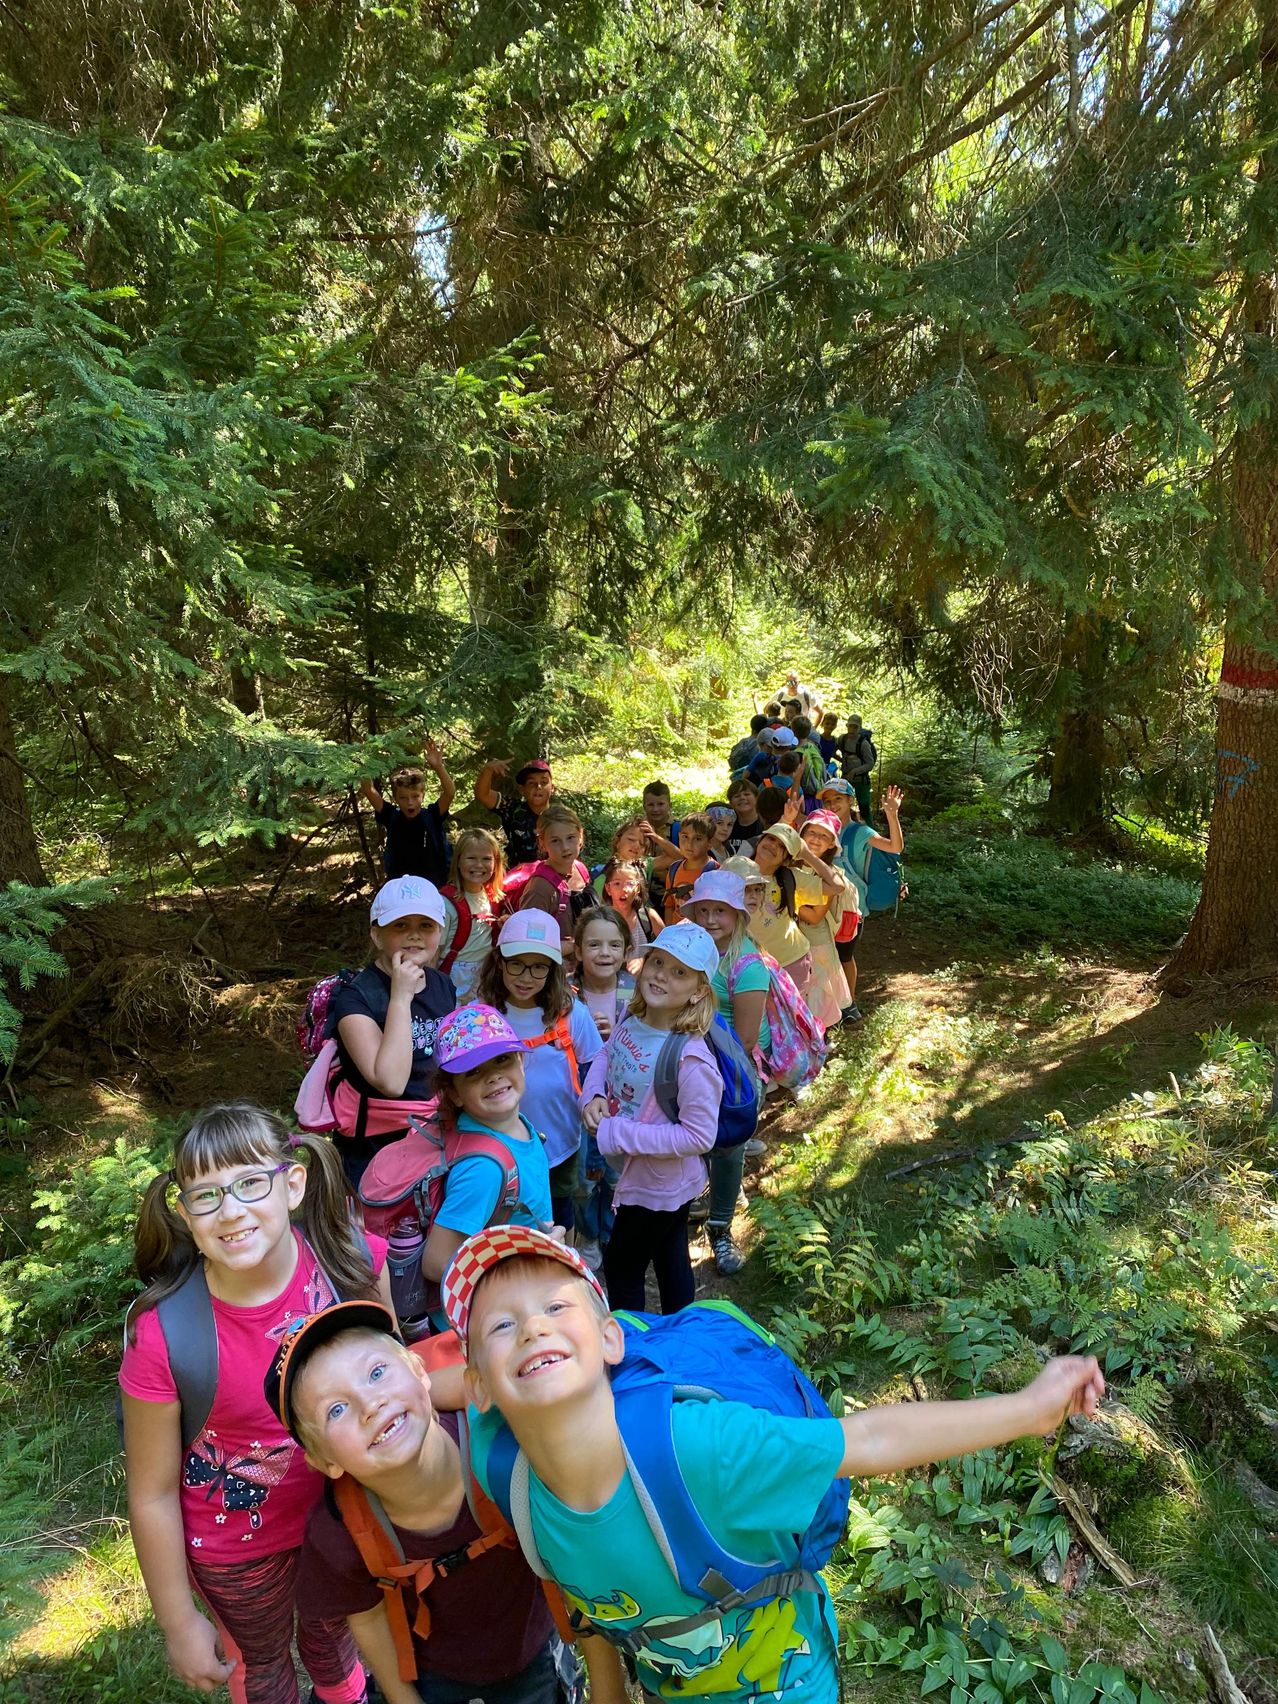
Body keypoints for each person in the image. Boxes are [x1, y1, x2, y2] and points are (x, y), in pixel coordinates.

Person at [450, 1228, 1106, 1704]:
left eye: (557, 1306)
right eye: (502, 1326)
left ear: (613, 1339)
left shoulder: (702, 1451)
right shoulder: (502, 1466)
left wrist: (1029, 1408)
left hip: (783, 1681)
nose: (533, 1328)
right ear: (479, 1386)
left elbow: (870, 1440)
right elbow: (579, 1584)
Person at [119, 1102, 392, 1704]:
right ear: (186, 1214)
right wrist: (179, 1622)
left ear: (291, 1183)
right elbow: (153, 1491)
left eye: (249, 1182)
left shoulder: (352, 1261)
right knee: (262, 1664)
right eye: (206, 1196)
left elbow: (395, 1379)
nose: (231, 1210)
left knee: (336, 1640)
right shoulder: (164, 1335)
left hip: (343, 1517)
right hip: (235, 1549)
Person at [269, 1301, 622, 1704]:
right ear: (325, 1461)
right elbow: (368, 1618)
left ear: (422, 1374)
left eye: (377, 1372)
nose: (371, 1406)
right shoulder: (340, 1529)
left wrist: (609, 1691)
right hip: (434, 1675)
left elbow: (581, 1563)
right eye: (336, 1409)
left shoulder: (505, 1454)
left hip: (534, 1652)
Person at [580, 921, 722, 1313]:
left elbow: (698, 1138)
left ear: (698, 992)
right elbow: (607, 1055)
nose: (661, 974)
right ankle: (680, 1330)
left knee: (622, 1266)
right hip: (637, 1172)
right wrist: (591, 1094)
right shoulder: (632, 1015)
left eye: (679, 972)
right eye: (658, 961)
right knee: (669, 1251)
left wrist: (618, 1133)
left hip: (656, 1184)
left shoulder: (691, 1060)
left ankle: (634, 1345)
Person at [419, 1003, 558, 1292]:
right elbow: (436, 1263)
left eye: (502, 1059)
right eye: (472, 1072)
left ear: (521, 1061)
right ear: (454, 1094)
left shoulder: (516, 1124)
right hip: (487, 1311)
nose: (493, 1076)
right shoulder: (483, 1169)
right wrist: (532, 1257)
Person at [476, 913, 603, 1228]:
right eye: (516, 963)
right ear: (500, 961)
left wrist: (595, 1094)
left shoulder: (571, 1014)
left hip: (558, 1143)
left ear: (553, 970)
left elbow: (599, 1058)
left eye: (539, 966)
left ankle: (569, 1269)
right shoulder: (482, 1014)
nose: (526, 976)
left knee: (558, 1218)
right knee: (504, 1217)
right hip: (497, 1143)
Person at [330, 877, 457, 1185]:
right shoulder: (354, 997)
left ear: (440, 933)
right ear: (377, 934)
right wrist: (401, 997)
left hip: (436, 1136)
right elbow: (390, 1082)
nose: (414, 935)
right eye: (400, 926)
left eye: (426, 925)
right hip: (373, 1148)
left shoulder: (442, 985)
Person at [681, 870, 770, 1276]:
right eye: (704, 910)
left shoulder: (746, 966)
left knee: (728, 1149)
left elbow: (746, 1041)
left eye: (721, 910)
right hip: (688, 1070)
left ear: (738, 915)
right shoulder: (688, 951)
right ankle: (695, 1197)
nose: (711, 919)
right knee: (691, 1141)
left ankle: (720, 1227)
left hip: (731, 1078)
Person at [822, 782, 905, 1024]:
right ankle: (827, 1005)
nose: (833, 805)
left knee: (844, 955)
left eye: (838, 799)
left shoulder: (860, 832)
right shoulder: (821, 829)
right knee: (822, 954)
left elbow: (895, 847)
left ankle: (848, 1004)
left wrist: (892, 814)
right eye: (828, 801)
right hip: (821, 902)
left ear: (850, 801)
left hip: (850, 908)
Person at [748, 824, 841, 1000]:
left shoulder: (791, 877)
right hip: (748, 963)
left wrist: (807, 854)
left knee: (790, 1020)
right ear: (760, 841)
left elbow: (837, 886)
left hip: (791, 961)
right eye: (771, 839)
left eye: (783, 847)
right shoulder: (737, 867)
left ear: (786, 860)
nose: (773, 845)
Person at [360, 740, 456, 886]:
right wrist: (367, 763)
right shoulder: (391, 815)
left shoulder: (432, 815)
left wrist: (438, 767)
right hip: (400, 887)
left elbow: (450, 793)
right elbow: (368, 790)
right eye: (403, 798)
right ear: (395, 798)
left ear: (423, 795)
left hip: (433, 886)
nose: (410, 802)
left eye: (415, 796)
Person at [518, 804, 596, 967]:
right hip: (556, 974)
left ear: (580, 835)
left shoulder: (580, 869)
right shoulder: (540, 888)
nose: (565, 847)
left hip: (587, 968)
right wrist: (573, 945)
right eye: (555, 841)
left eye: (570, 838)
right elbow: (530, 943)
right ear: (542, 843)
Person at [796, 812, 853, 1032]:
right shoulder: (789, 865)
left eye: (824, 836)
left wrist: (780, 901)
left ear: (832, 845)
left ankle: (818, 1043)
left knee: (817, 1000)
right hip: (791, 944)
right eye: (812, 832)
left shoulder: (829, 874)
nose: (816, 839)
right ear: (802, 833)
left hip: (816, 946)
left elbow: (815, 916)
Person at [439, 828, 505, 1002]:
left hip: (484, 972)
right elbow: (434, 950)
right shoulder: (447, 903)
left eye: (486, 859)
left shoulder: (491, 896)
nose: (479, 865)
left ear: (495, 863)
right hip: (455, 974)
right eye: (471, 858)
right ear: (458, 861)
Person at [475, 758, 555, 869]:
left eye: (544, 782)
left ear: (552, 788)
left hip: (551, 879)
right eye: (531, 783)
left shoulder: (559, 817)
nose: (538, 787)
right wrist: (488, 770)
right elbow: (483, 795)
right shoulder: (512, 809)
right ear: (522, 789)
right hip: (517, 878)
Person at [573, 908, 632, 1043]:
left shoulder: (637, 995)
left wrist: (615, 1037)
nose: (605, 952)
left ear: (626, 953)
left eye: (615, 945)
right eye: (594, 945)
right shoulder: (564, 993)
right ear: (579, 952)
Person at [654, 812, 719, 925]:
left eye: (698, 839)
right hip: (677, 936)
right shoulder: (674, 869)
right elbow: (669, 905)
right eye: (685, 837)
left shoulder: (715, 872)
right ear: (679, 836)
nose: (689, 844)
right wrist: (669, 931)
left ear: (709, 843)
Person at [599, 859, 664, 956]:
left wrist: (645, 959)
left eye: (630, 884)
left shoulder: (647, 917)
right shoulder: (600, 919)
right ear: (608, 889)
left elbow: (669, 947)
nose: (624, 889)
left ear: (637, 888)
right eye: (617, 883)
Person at [837, 715, 878, 822]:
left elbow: (870, 763)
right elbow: (832, 751)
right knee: (842, 806)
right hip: (845, 779)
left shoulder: (863, 744)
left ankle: (870, 834)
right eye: (850, 726)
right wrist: (843, 762)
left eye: (855, 727)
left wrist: (855, 771)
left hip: (861, 781)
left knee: (864, 809)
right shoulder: (842, 739)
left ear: (859, 728)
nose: (851, 730)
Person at [724, 778, 763, 856]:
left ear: (756, 798)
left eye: (746, 794)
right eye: (737, 796)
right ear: (731, 803)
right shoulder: (726, 825)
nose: (742, 798)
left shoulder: (765, 825)